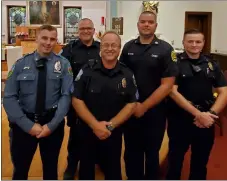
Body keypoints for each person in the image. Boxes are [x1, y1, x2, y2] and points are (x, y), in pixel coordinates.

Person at [3, 24, 73, 180]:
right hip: (23, 124)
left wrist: (52, 125)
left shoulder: (63, 65)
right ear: (37, 39)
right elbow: (9, 97)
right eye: (44, 38)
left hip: (52, 124)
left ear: (56, 41)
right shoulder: (21, 64)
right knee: (20, 170)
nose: (48, 43)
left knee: (50, 170)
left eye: (52, 39)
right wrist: (29, 126)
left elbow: (66, 96)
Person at [119, 11, 179, 180]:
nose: (146, 25)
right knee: (131, 152)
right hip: (130, 109)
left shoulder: (166, 49)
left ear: (155, 25)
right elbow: (122, 76)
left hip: (155, 112)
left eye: (150, 22)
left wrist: (144, 106)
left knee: (152, 153)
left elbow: (167, 85)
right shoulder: (128, 47)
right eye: (143, 22)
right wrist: (131, 105)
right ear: (138, 24)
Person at [166, 29, 227, 180]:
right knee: (175, 162)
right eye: (190, 41)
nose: (194, 45)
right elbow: (172, 92)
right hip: (180, 120)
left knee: (200, 164)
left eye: (198, 42)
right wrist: (198, 114)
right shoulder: (174, 64)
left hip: (205, 121)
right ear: (183, 43)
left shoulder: (212, 64)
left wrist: (211, 114)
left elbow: (225, 93)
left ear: (203, 44)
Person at [72, 30, 137, 180]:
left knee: (113, 170)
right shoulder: (87, 70)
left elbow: (131, 103)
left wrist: (110, 126)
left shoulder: (127, 74)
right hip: (88, 130)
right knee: (86, 171)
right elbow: (76, 99)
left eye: (114, 45)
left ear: (119, 49)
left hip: (112, 131)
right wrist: (95, 125)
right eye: (106, 45)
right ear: (100, 48)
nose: (109, 48)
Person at [60, 18, 101, 180]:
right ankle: (71, 165)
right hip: (76, 102)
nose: (85, 31)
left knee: (97, 131)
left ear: (93, 30)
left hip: (98, 101)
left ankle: (98, 160)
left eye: (88, 28)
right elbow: (62, 75)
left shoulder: (101, 47)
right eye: (82, 28)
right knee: (76, 136)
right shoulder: (69, 50)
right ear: (78, 30)